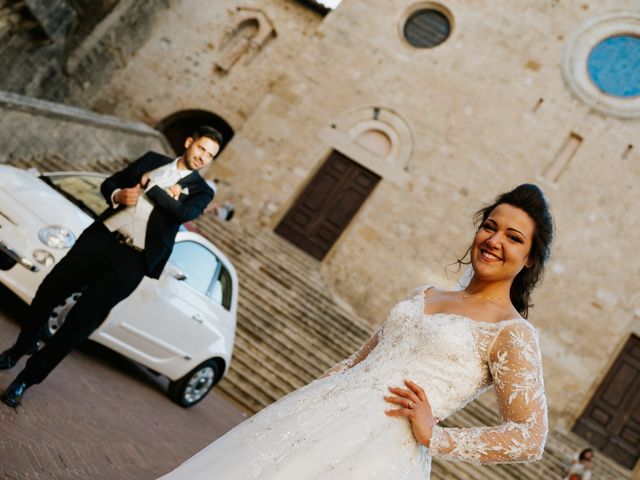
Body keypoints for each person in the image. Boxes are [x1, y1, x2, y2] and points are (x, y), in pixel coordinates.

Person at [157, 183, 554, 479]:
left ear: (530, 260)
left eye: (513, 237)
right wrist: (301, 404)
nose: (494, 240)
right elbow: (357, 361)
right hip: (315, 418)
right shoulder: (426, 294)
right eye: (490, 226)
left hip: (376, 452)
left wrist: (439, 437)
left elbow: (530, 435)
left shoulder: (511, 333)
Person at [0, 125, 222, 407]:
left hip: (133, 259)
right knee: (48, 291)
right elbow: (110, 182)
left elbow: (183, 213)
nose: (203, 157)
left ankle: (26, 380)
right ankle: (21, 347)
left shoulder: (201, 191)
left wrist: (153, 188)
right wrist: (119, 195)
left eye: (210, 155)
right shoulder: (153, 160)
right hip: (102, 238)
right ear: (189, 142)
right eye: (202, 149)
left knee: (80, 322)